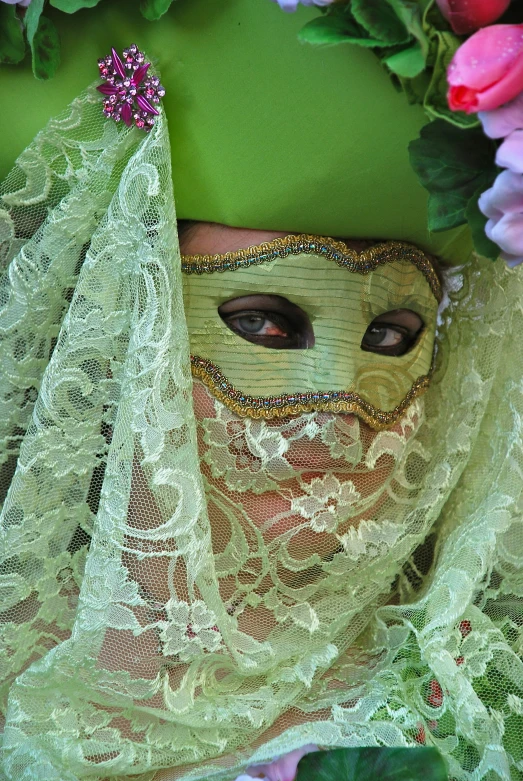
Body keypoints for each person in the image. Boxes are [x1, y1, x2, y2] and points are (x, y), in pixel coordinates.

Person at [0, 2, 522, 781]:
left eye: (390, 337)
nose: (338, 410)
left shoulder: (467, 707)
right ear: (109, 331)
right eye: (264, 326)